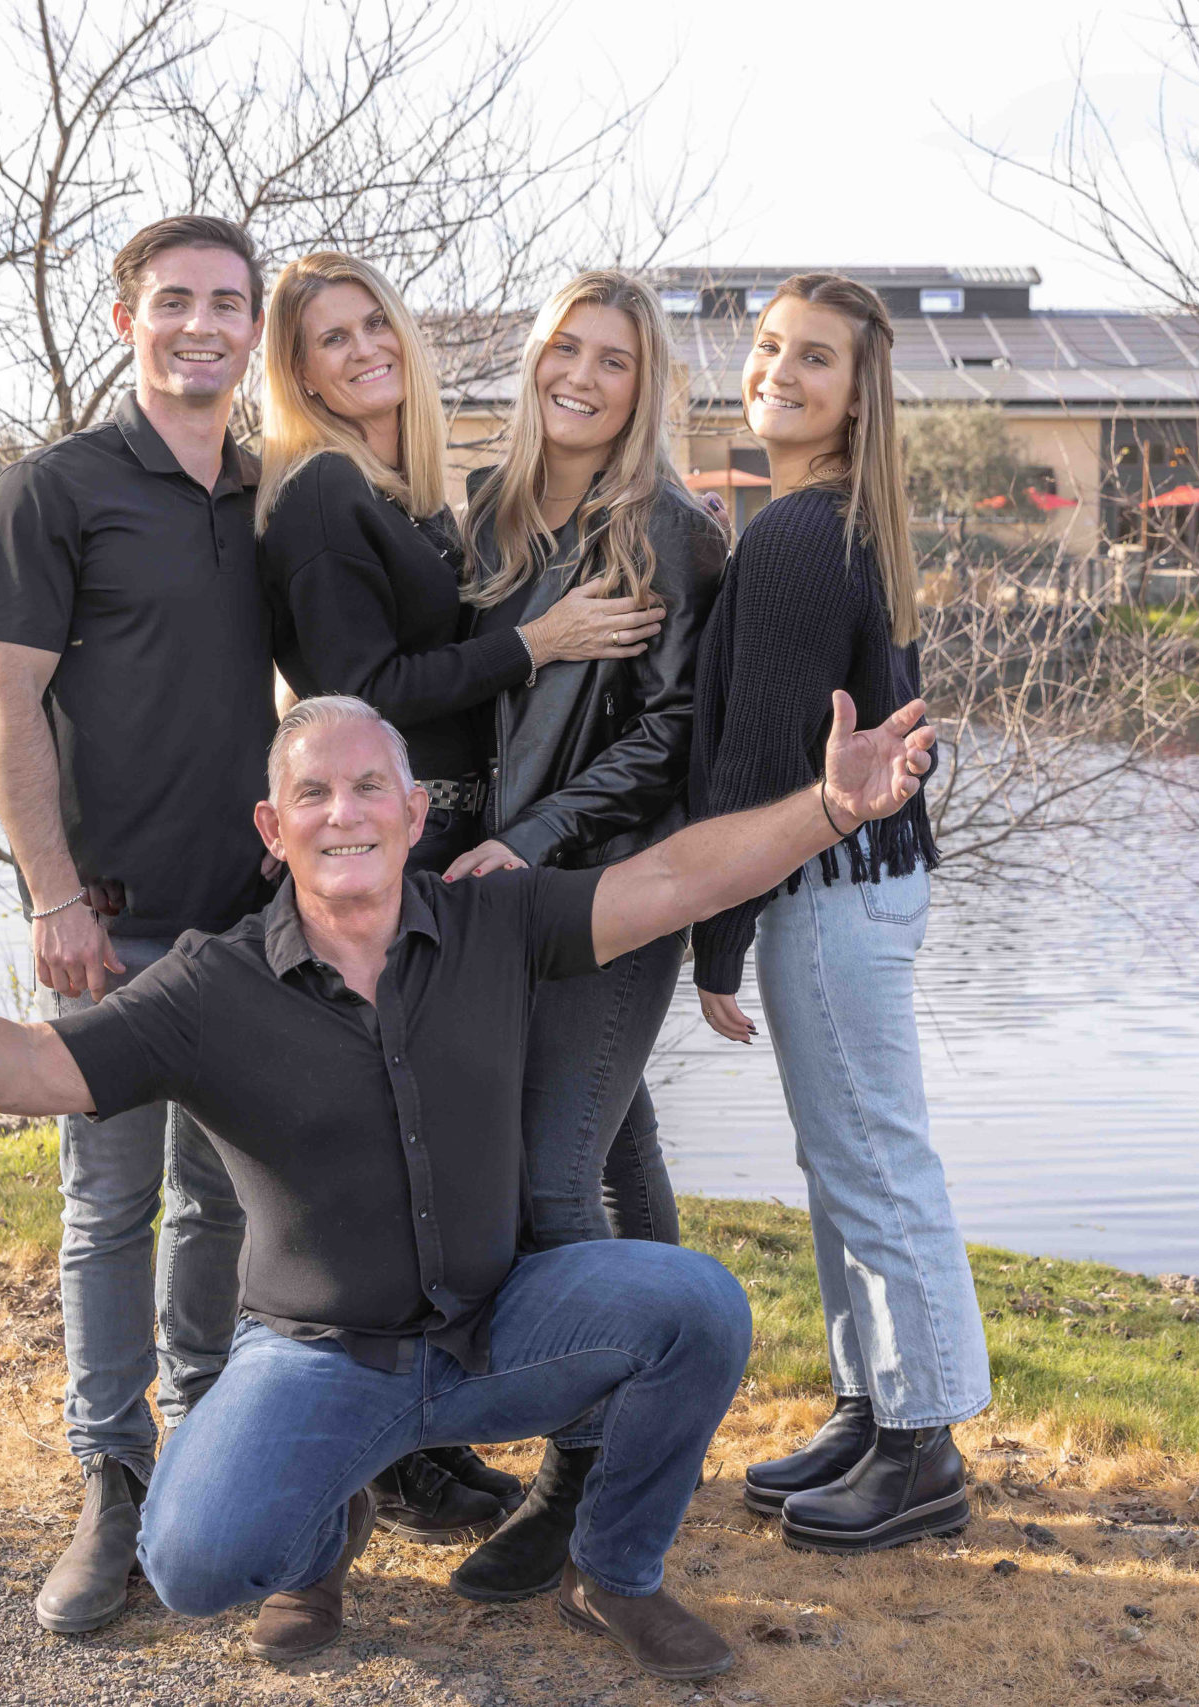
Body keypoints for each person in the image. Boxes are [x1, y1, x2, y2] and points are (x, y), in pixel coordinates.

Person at [0, 688, 942, 1679]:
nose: (346, 814)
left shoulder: (495, 922)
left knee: (694, 1306)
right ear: (273, 828)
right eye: (315, 795)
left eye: (371, 787)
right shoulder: (208, 989)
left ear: (416, 813)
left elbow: (677, 880)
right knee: (192, 1567)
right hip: (317, 1361)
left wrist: (831, 808)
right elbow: (30, 1064)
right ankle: (325, 1522)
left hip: (501, 1334)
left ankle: (612, 1571)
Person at [0, 215, 266, 1633]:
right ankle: (113, 1472)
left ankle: (208, 1444)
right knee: (107, 1209)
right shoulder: (56, 489)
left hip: (251, 932)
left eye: (227, 304)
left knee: (219, 1203)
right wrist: (53, 892)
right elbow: (5, 699)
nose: (201, 324)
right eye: (175, 302)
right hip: (117, 926)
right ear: (124, 316)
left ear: (253, 330)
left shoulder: (266, 496)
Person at [689, 272, 993, 1554]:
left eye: (816, 359)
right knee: (842, 1163)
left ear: (862, 396)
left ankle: (922, 1443)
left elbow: (759, 752)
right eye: (768, 348)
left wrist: (711, 935)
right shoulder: (826, 521)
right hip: (850, 884)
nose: (781, 373)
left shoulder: (802, 533)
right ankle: (872, 1403)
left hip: (831, 886)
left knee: (873, 1162)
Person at [438, 270, 727, 1603]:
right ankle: (669, 1399)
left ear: (643, 383)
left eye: (615, 360)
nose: (585, 376)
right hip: (491, 885)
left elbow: (669, 734)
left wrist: (541, 835)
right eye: (569, 348)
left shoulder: (666, 529)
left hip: (610, 890)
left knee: (554, 1176)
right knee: (619, 1139)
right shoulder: (486, 511)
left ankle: (582, 1468)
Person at [254, 251, 664, 879]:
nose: (364, 349)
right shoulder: (323, 490)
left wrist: (670, 510)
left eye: (375, 323)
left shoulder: (410, 501)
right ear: (301, 372)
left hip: (459, 828)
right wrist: (538, 643)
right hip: (398, 835)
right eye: (333, 339)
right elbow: (365, 693)